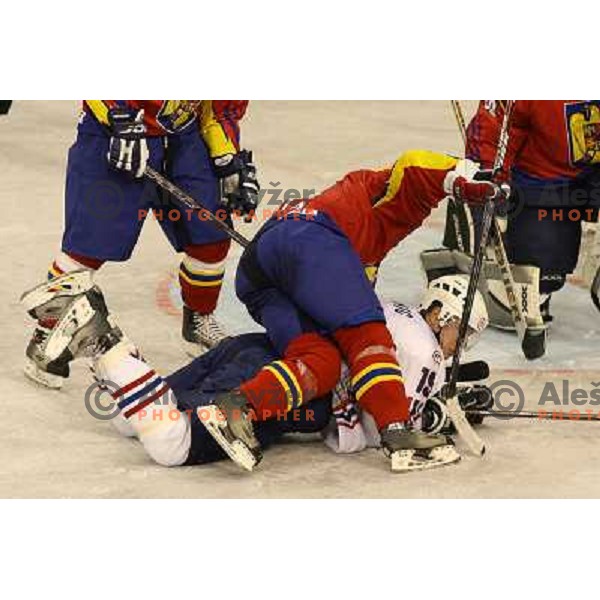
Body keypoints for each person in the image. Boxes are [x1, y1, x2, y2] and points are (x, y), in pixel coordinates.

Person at [206, 150, 504, 472]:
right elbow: (414, 165)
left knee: (321, 362)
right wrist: (468, 177)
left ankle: (235, 408)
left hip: (261, 274)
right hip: (312, 234)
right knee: (367, 334)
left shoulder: (366, 255)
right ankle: (398, 434)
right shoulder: (386, 194)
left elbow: (345, 300)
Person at [20, 271, 489, 472]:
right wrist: (434, 419)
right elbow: (382, 428)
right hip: (283, 387)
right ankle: (104, 342)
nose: (459, 348)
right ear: (446, 315)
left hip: (254, 348)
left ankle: (103, 336)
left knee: (132, 420)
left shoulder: (389, 310)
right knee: (171, 445)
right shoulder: (425, 350)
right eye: (462, 335)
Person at [23, 100, 258, 390]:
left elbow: (221, 105)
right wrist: (118, 117)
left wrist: (226, 155)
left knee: (210, 237)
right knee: (87, 248)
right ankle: (47, 336)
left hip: (185, 136)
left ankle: (199, 320)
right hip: (112, 130)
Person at [446, 101, 600, 328]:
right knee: (541, 278)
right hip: (543, 186)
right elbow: (492, 132)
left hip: (590, 178)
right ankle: (472, 249)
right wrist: (486, 186)